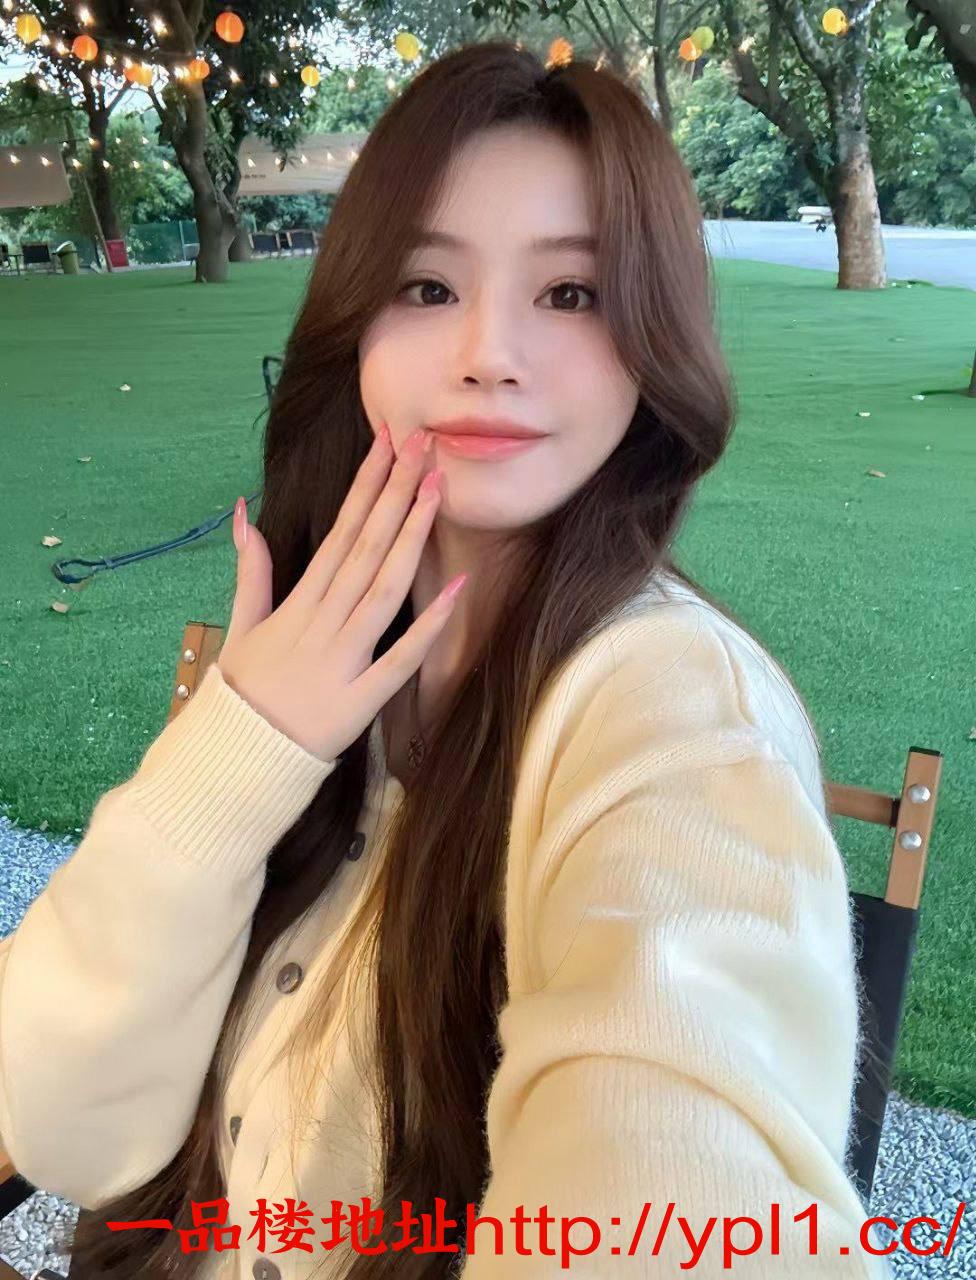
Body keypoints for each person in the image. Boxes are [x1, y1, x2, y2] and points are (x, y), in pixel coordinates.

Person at [0, 40, 891, 1280]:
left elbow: (680, 1139)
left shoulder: (677, 710)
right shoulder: (302, 660)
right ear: (353, 330)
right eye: (426, 286)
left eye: (570, 293)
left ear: (654, 341)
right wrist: (242, 748)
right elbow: (59, 1125)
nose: (487, 353)